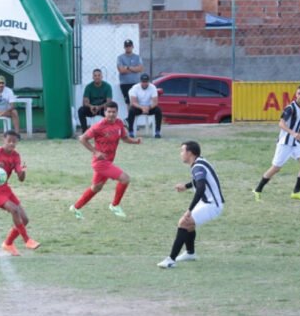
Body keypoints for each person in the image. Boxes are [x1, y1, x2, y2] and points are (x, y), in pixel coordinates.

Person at [69, 102, 141, 220]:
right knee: (125, 178)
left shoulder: (119, 123)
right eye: (109, 112)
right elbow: (82, 139)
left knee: (96, 187)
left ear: (117, 112)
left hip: (109, 161)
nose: (111, 114)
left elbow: (124, 138)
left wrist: (135, 141)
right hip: (100, 163)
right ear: (104, 112)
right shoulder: (99, 126)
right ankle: (115, 205)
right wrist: (95, 152)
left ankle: (75, 207)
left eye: (114, 112)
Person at [157, 141, 224, 269]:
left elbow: (201, 188)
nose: (181, 154)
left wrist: (189, 210)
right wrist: (186, 186)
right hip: (208, 202)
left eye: (182, 151)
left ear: (190, 153)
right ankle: (190, 253)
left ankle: (170, 260)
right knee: (189, 225)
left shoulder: (197, 167)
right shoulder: (199, 163)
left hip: (212, 205)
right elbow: (199, 181)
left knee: (184, 222)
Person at [0, 130, 40, 256]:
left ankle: (8, 244)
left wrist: (23, 171)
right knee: (14, 210)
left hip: (5, 189)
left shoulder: (16, 156)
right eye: (9, 141)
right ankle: (27, 240)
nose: (12, 144)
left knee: (24, 219)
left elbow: (21, 178)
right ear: (4, 140)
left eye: (14, 141)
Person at [253, 84, 300, 202]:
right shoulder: (290, 108)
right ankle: (258, 190)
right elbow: (281, 124)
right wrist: (293, 134)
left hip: (295, 143)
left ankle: (296, 192)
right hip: (285, 143)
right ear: (296, 95)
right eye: (299, 93)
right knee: (276, 168)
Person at [127, 73, 163, 139]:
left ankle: (157, 131)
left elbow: (155, 102)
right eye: (143, 81)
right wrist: (142, 107)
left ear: (148, 81)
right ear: (140, 81)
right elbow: (133, 102)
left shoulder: (153, 87)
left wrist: (148, 107)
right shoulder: (135, 88)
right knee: (131, 110)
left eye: (146, 81)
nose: (144, 83)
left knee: (158, 110)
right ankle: (131, 131)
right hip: (138, 107)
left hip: (149, 107)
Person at [77, 68, 113, 133]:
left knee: (111, 109)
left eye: (99, 75)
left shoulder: (107, 86)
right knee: (81, 110)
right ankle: (85, 132)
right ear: (92, 77)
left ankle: (110, 130)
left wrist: (99, 107)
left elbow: (109, 102)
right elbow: (85, 102)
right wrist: (91, 106)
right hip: (92, 108)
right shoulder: (88, 87)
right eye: (95, 76)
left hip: (103, 108)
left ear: (102, 77)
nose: (97, 77)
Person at [117, 39, 143, 106]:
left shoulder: (137, 57)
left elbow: (140, 69)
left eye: (129, 46)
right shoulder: (120, 58)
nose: (128, 47)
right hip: (125, 84)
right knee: (128, 102)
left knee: (136, 101)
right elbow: (121, 70)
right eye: (126, 46)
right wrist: (134, 69)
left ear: (132, 47)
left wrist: (128, 67)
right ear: (124, 47)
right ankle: (130, 116)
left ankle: (134, 116)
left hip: (135, 83)